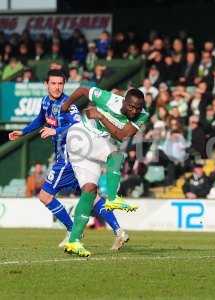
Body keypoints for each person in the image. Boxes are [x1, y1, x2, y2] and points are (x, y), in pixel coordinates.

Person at [9, 70, 128, 251]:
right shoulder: (46, 102)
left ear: (64, 85)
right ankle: (119, 232)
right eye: (53, 83)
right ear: (46, 85)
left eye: (60, 84)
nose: (57, 87)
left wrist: (54, 131)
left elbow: (76, 124)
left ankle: (73, 230)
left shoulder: (68, 104)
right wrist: (23, 132)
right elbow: (40, 120)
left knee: (45, 196)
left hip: (68, 156)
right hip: (68, 157)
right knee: (92, 197)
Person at [60, 85, 149, 257]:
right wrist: (66, 105)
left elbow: (122, 135)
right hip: (81, 134)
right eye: (130, 106)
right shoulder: (109, 99)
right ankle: (113, 198)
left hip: (90, 148)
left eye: (138, 108)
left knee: (89, 191)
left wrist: (101, 116)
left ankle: (74, 241)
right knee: (116, 155)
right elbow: (83, 90)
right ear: (124, 101)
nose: (134, 111)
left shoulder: (143, 115)